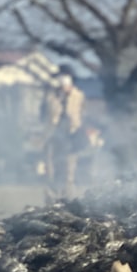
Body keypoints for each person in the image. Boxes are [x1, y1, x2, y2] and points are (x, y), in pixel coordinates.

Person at [42, 64, 86, 198]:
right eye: (60, 77)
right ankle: (51, 197)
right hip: (53, 133)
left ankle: (68, 197)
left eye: (64, 77)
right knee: (50, 167)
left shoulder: (78, 96)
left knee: (69, 168)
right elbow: (44, 114)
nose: (61, 80)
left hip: (71, 134)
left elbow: (82, 114)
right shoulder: (50, 95)